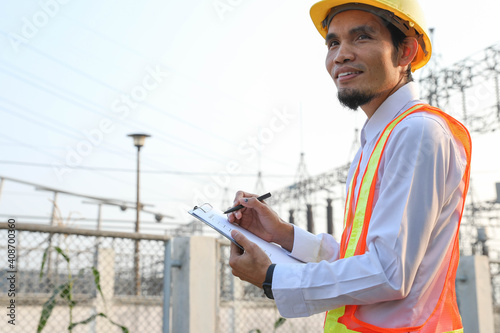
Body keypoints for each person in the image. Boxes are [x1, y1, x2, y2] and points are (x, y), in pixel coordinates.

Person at [227, 0, 471, 332]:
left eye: (362, 37)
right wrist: (283, 234)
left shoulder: (417, 133)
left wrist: (273, 277)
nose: (341, 55)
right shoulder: (380, 139)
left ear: (406, 52)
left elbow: (388, 271)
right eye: (333, 42)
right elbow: (363, 257)